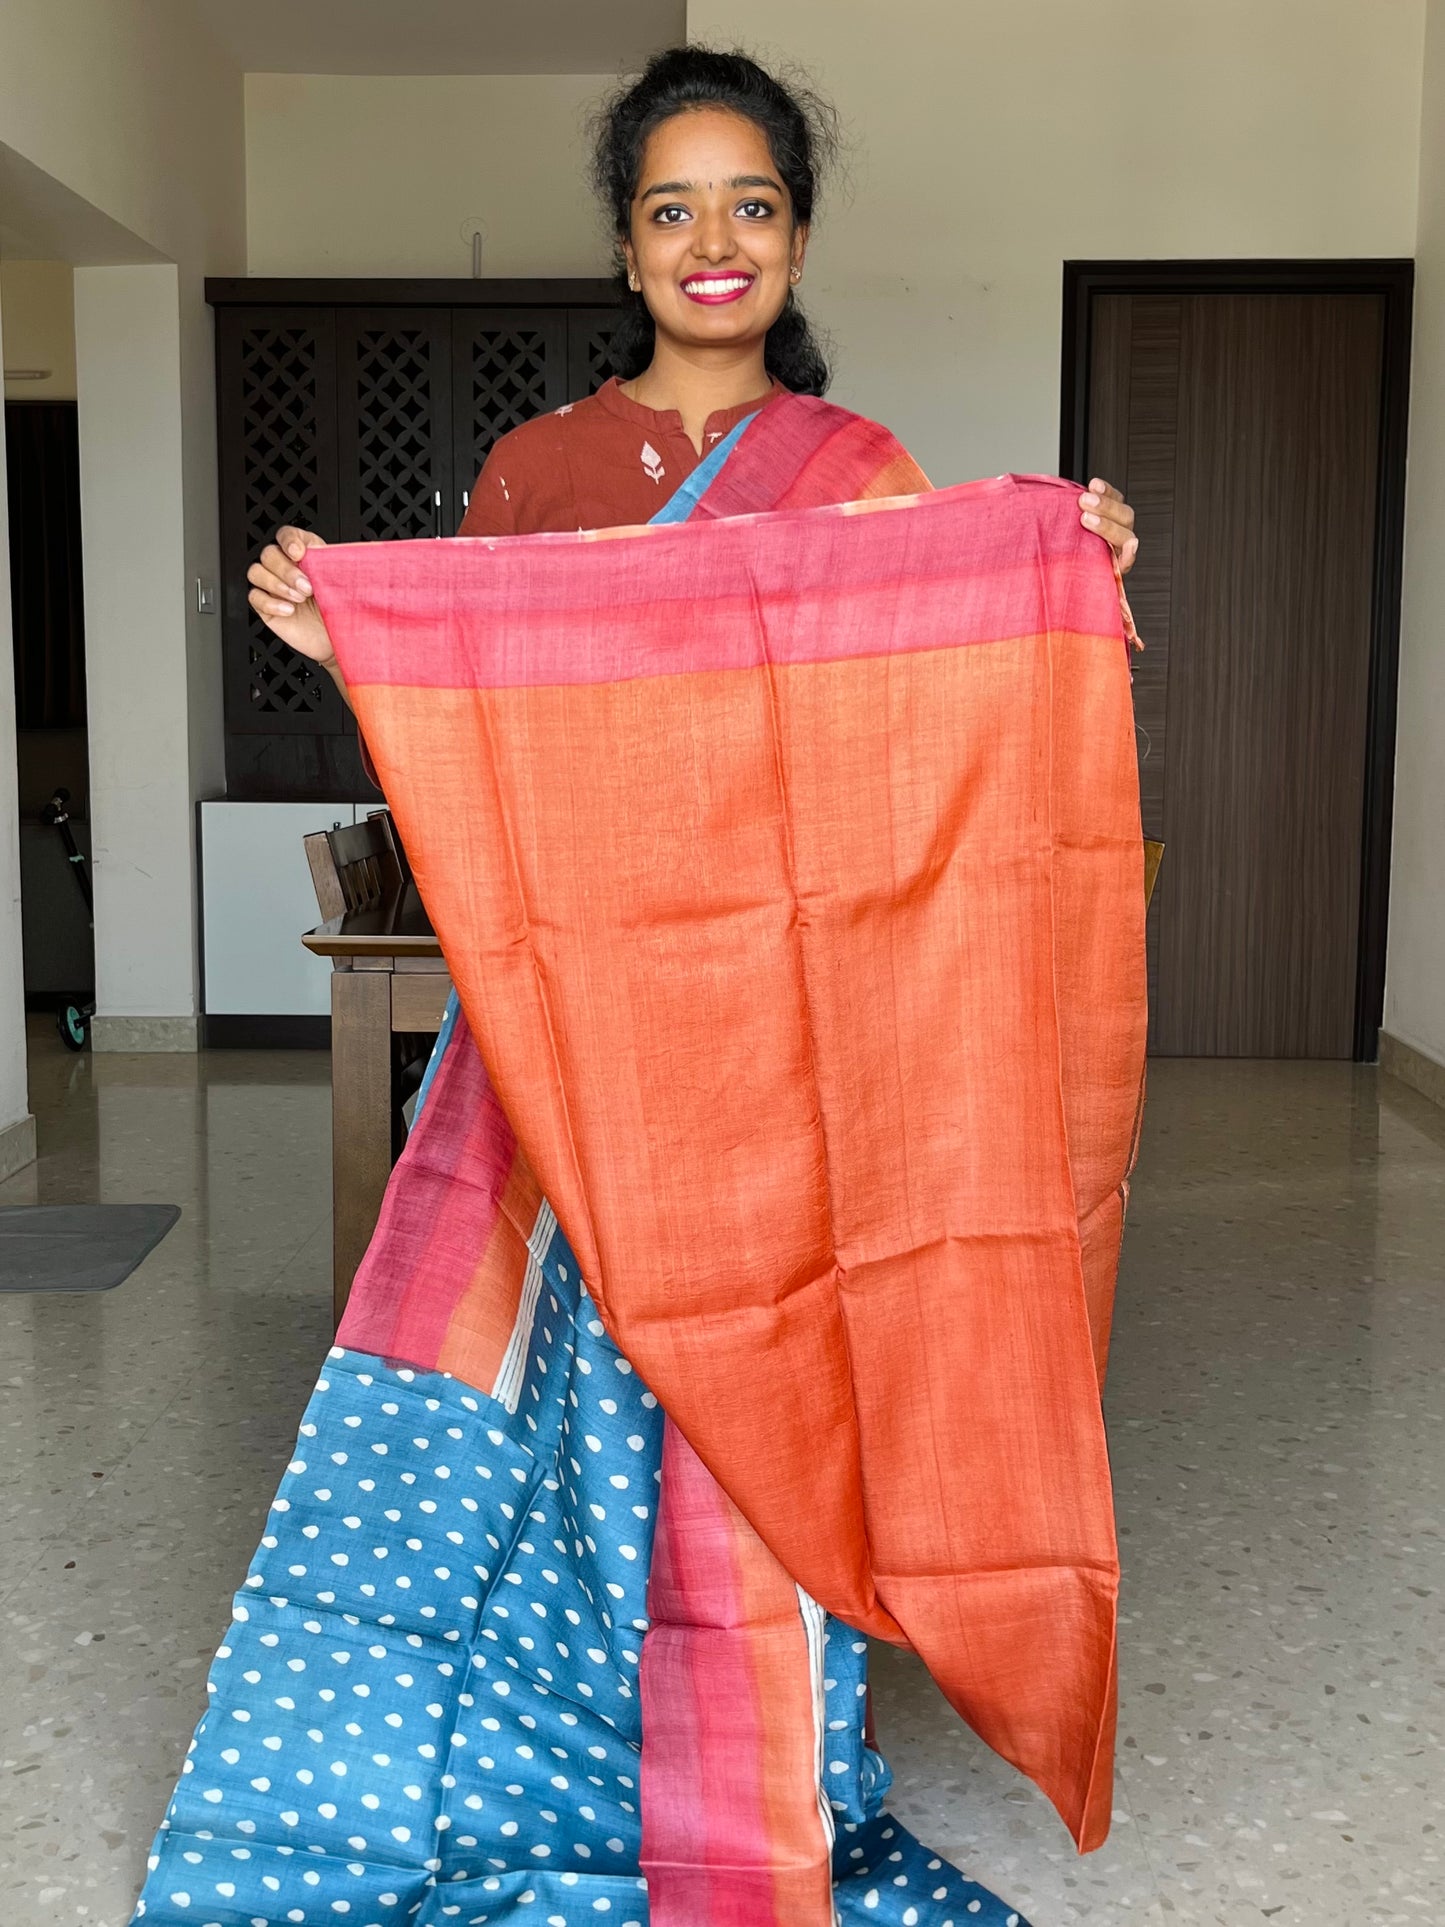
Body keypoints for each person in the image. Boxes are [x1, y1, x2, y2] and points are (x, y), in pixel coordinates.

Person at [204, 45, 1140, 1927]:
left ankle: (769, 1764)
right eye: (669, 209)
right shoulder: (538, 472)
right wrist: (345, 640)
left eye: (752, 205)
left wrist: (1058, 573)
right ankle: (562, 1756)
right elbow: (473, 753)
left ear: (793, 238)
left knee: (774, 1392)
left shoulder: (864, 483)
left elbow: (914, 749)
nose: (713, 243)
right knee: (562, 1426)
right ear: (624, 249)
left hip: (784, 1059)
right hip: (567, 1042)